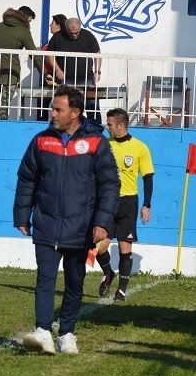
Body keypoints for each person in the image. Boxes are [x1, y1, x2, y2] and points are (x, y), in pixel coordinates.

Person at [14, 85, 120, 355]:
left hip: (81, 227)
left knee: (75, 283)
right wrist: (22, 215)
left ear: (75, 113)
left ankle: (67, 334)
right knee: (45, 278)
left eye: (58, 109)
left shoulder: (96, 143)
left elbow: (109, 185)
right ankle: (42, 331)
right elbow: (27, 179)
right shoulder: (41, 141)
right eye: (52, 108)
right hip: (46, 224)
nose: (52, 113)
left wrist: (102, 222)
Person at [97, 107, 154, 301]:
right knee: (99, 246)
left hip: (128, 203)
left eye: (110, 124)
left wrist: (147, 205)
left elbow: (147, 178)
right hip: (107, 202)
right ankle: (108, 273)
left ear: (120, 126)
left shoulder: (140, 147)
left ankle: (121, 291)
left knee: (124, 248)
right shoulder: (105, 145)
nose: (107, 127)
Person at [0, 5, 43, 120]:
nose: (29, 23)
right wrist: (43, 72)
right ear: (25, 17)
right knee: (5, 105)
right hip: (12, 73)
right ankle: (1, 126)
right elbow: (33, 52)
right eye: (29, 20)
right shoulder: (23, 31)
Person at [46, 17, 101, 123]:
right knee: (66, 105)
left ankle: (96, 127)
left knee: (92, 105)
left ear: (80, 28)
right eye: (71, 33)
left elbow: (97, 54)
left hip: (86, 77)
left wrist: (97, 71)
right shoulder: (58, 36)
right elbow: (49, 55)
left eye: (76, 32)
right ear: (66, 29)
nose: (74, 35)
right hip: (65, 78)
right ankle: (65, 125)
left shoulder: (88, 35)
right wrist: (57, 70)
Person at [37, 14, 67, 122]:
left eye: (52, 23)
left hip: (53, 75)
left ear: (58, 25)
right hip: (50, 74)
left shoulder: (59, 38)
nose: (50, 25)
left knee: (45, 102)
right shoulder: (56, 39)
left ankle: (43, 122)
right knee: (44, 101)